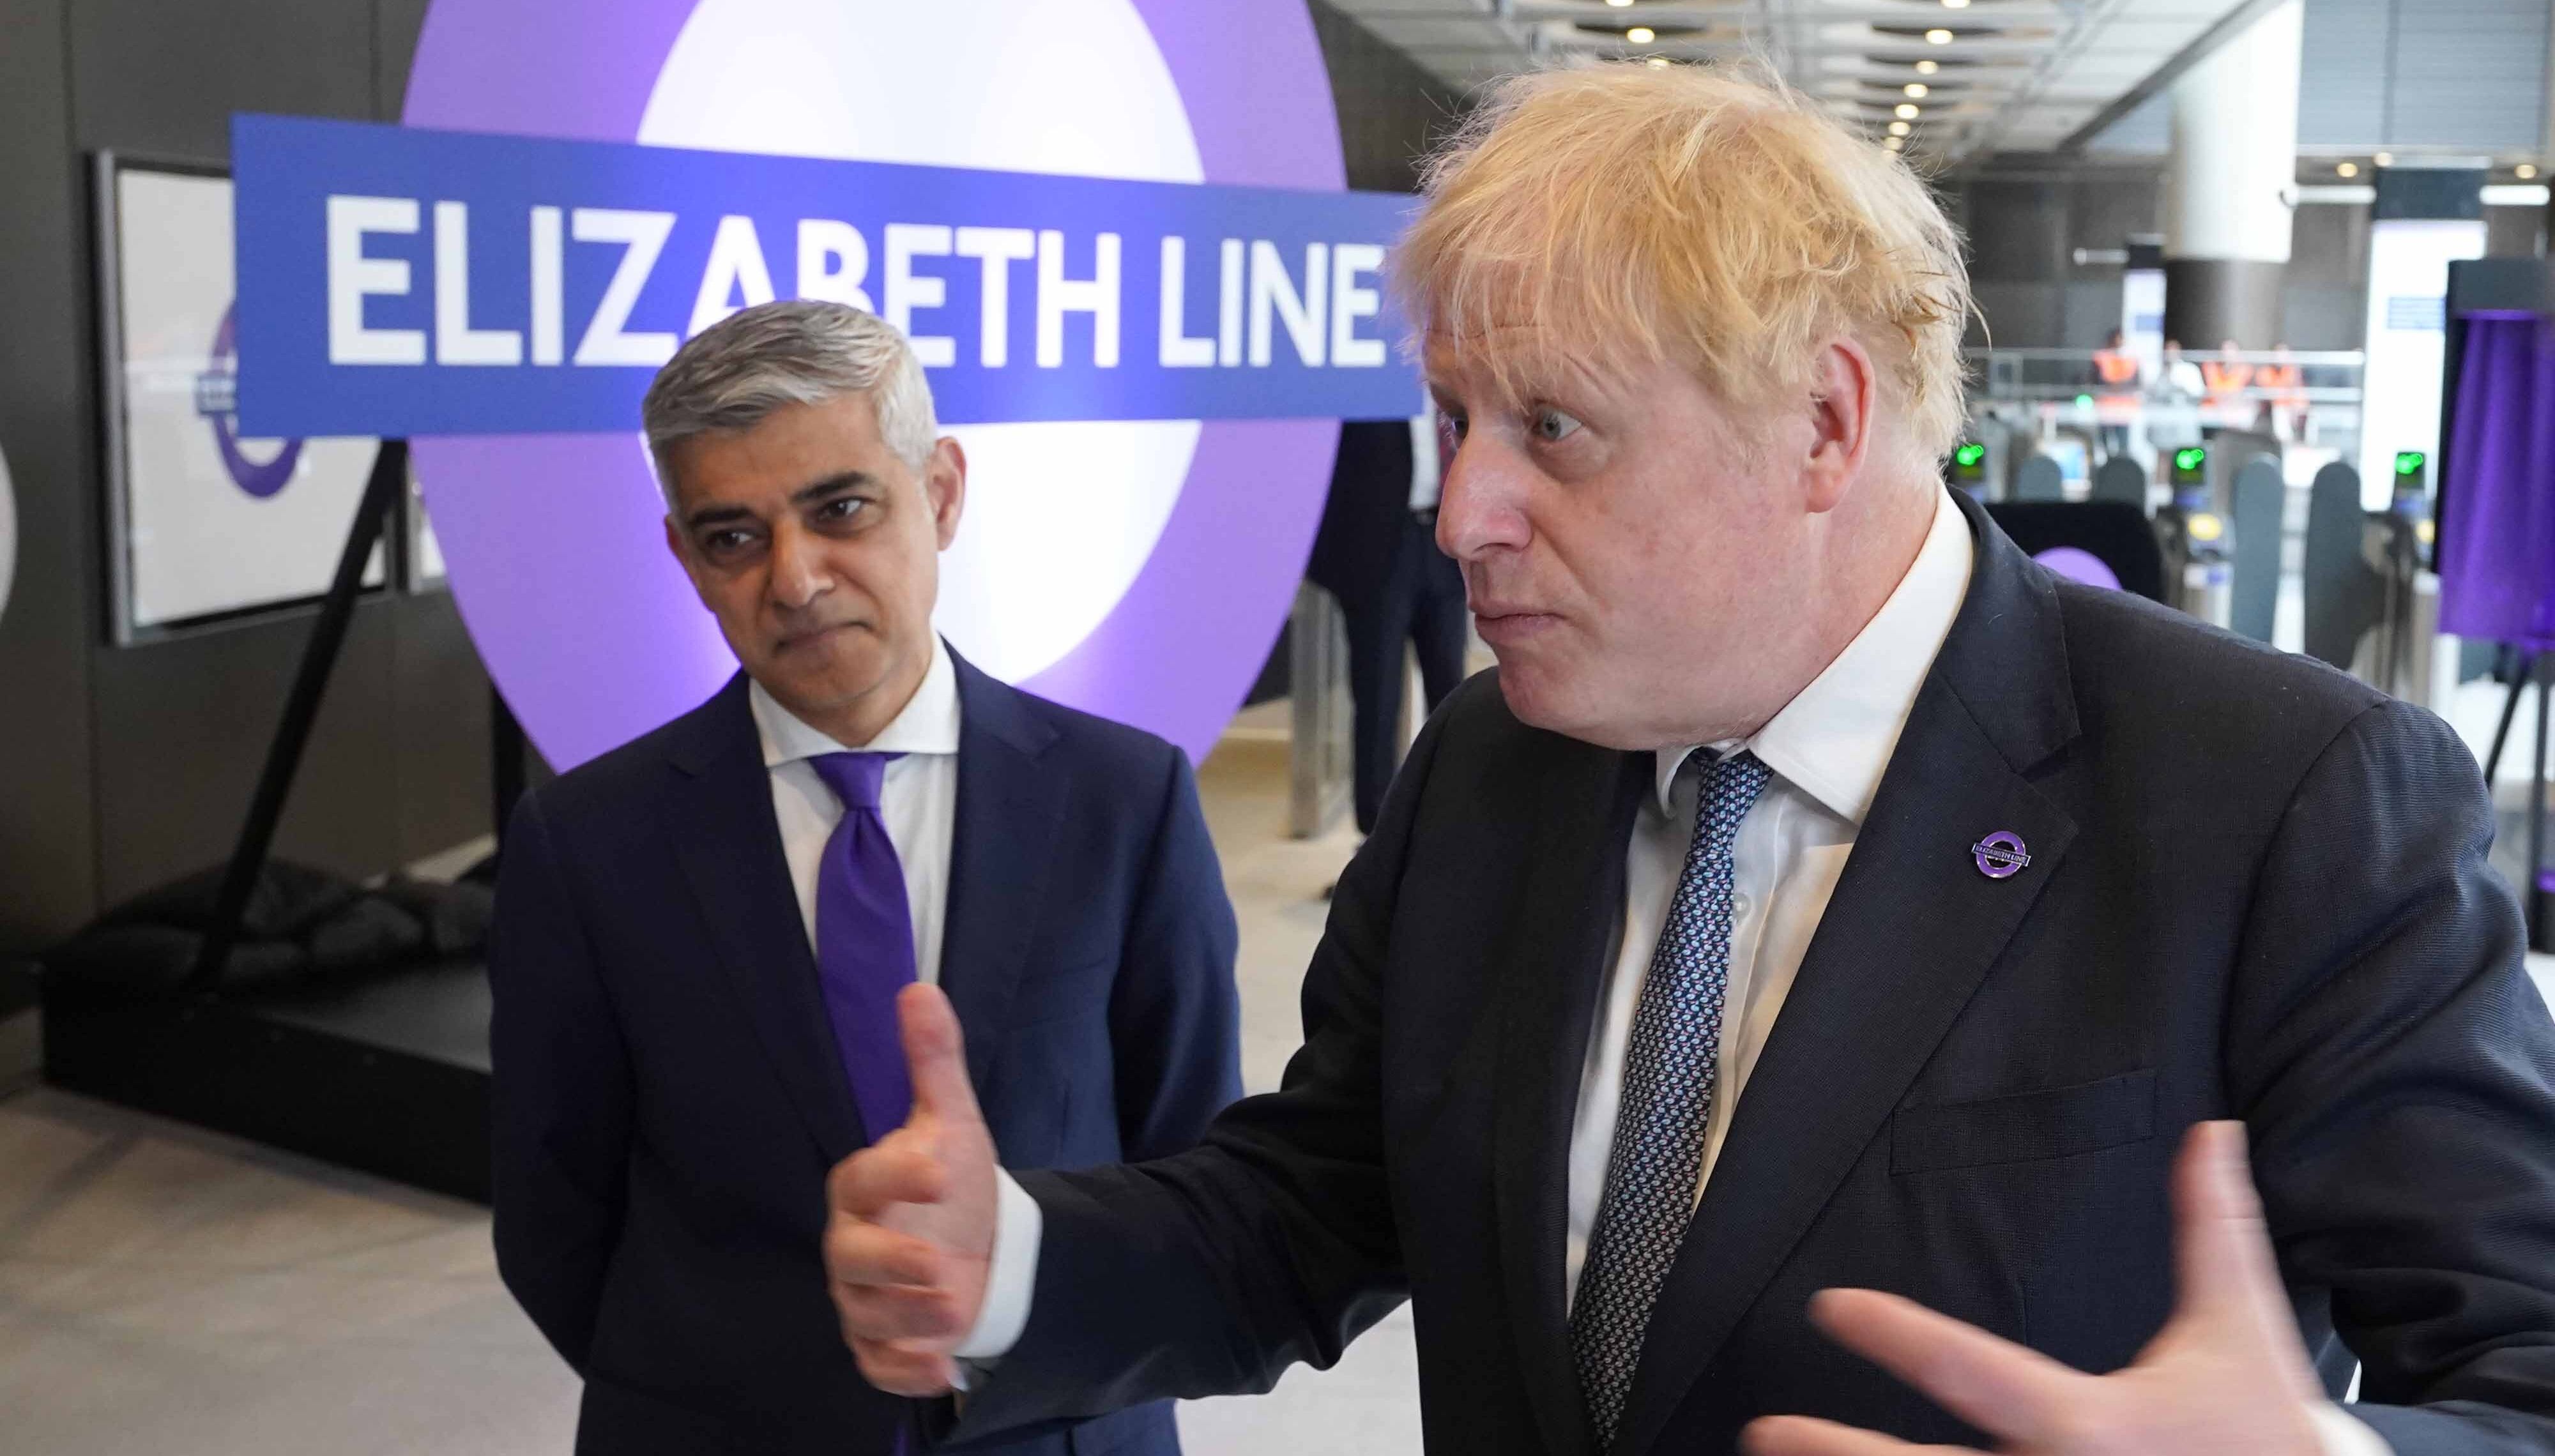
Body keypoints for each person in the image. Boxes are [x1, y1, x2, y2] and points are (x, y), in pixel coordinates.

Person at [821, 64, 2555, 1456]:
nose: (1464, 511)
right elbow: (1322, 1200)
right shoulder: (1493, 768)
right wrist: (1019, 1268)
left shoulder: (2290, 799)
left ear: (1824, 422)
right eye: (1455, 421)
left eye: (1552, 428)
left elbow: (2518, 1374)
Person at [486, 300, 1242, 1456]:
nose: (794, 580)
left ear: (939, 494)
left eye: (840, 508)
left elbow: (1197, 1181)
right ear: (686, 559)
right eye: (733, 536)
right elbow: (554, 1221)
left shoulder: (1123, 804)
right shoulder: (585, 846)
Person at [1308, 404, 1470, 834]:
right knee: (1378, 699)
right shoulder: (1367, 383)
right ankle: (1376, 841)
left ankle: (1455, 828)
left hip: (1444, 547)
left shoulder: (1452, 387)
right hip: (1379, 556)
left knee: (1454, 698)